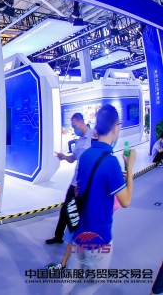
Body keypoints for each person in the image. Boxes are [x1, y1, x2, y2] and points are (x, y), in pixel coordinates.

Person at [64, 104, 136, 295]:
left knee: (70, 277)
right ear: (115, 129)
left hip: (79, 231)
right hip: (99, 236)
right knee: (96, 281)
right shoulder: (111, 162)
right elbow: (126, 201)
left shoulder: (86, 155)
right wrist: (130, 169)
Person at [46, 113, 93, 245]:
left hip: (87, 183)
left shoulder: (93, 137)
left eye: (74, 126)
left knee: (84, 212)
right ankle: (58, 237)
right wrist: (64, 157)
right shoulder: (79, 141)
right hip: (75, 182)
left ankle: (84, 239)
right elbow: (74, 158)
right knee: (66, 209)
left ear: (81, 121)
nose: (74, 129)